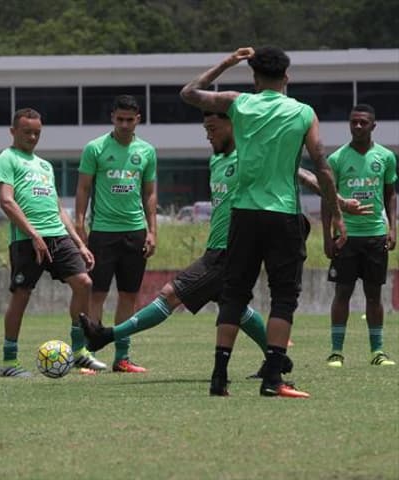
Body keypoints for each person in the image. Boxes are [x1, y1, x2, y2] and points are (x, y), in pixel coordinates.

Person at [79, 112, 366, 378]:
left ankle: (106, 336)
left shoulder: (250, 155)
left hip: (231, 249)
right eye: (205, 129)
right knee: (235, 308)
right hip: (215, 246)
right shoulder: (216, 159)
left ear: (231, 127)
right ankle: (277, 358)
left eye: (213, 129)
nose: (208, 135)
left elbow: (301, 175)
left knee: (170, 295)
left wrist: (338, 201)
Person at [179, 46, 345, 398]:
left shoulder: (239, 103)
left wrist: (226, 62)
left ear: (254, 78)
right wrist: (337, 214)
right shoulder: (302, 112)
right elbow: (322, 166)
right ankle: (273, 378)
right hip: (282, 214)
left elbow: (189, 92)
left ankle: (219, 377)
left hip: (243, 213)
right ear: (286, 78)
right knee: (284, 296)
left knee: (235, 294)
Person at [0, 107, 104, 378]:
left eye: (37, 133)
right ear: (13, 132)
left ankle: (79, 352)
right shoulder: (7, 159)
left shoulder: (45, 166)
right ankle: (9, 362)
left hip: (58, 236)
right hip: (26, 240)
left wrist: (79, 242)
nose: (32, 137)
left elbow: (58, 207)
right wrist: (34, 235)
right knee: (22, 296)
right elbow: (6, 201)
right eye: (27, 132)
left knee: (85, 283)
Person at [75, 95, 157, 373]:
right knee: (96, 295)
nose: (124, 124)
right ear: (112, 118)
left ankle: (122, 357)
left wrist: (152, 231)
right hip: (103, 233)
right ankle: (88, 355)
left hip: (135, 233)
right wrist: (79, 225)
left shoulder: (146, 151)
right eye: (119, 119)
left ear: (138, 120)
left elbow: (149, 193)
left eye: (129, 120)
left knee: (128, 296)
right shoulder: (95, 148)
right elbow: (83, 188)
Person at [323, 104, 397, 368]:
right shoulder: (337, 159)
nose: (357, 126)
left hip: (375, 234)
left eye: (363, 122)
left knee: (374, 295)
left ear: (373, 126)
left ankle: (377, 351)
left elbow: (390, 193)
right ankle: (336, 352)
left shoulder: (386, 157)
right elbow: (327, 200)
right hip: (347, 237)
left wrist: (392, 227)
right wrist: (326, 237)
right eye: (353, 122)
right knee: (342, 292)